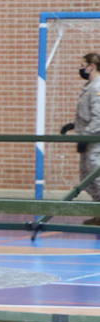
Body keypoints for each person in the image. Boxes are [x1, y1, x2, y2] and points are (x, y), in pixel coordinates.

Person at [60, 52, 100, 223]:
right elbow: (87, 115)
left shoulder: (97, 88)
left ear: (91, 66)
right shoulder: (89, 87)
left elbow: (99, 118)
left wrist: (86, 137)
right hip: (87, 137)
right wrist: (74, 126)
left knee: (96, 176)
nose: (80, 68)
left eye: (83, 65)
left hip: (95, 141)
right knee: (86, 177)